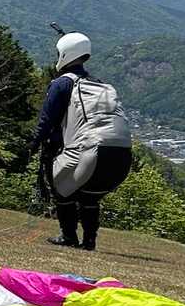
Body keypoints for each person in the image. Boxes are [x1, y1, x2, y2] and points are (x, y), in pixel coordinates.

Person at [31, 31, 133, 251]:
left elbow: (47, 120)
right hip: (120, 154)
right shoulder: (99, 85)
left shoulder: (62, 84)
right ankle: (89, 242)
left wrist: (32, 146)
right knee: (90, 198)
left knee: (62, 190)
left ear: (65, 54)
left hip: (87, 152)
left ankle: (69, 236)